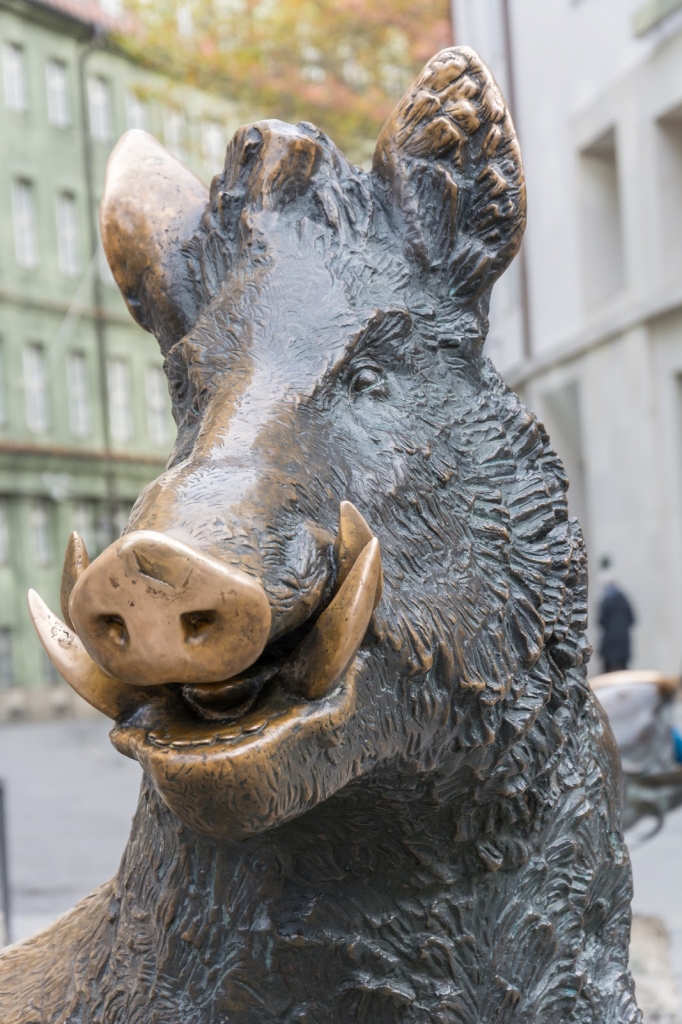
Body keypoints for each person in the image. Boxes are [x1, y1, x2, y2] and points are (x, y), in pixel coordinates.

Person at [598, 556, 635, 673]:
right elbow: (632, 619)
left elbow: (600, 621)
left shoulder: (606, 601)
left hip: (610, 647)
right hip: (623, 646)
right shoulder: (624, 599)